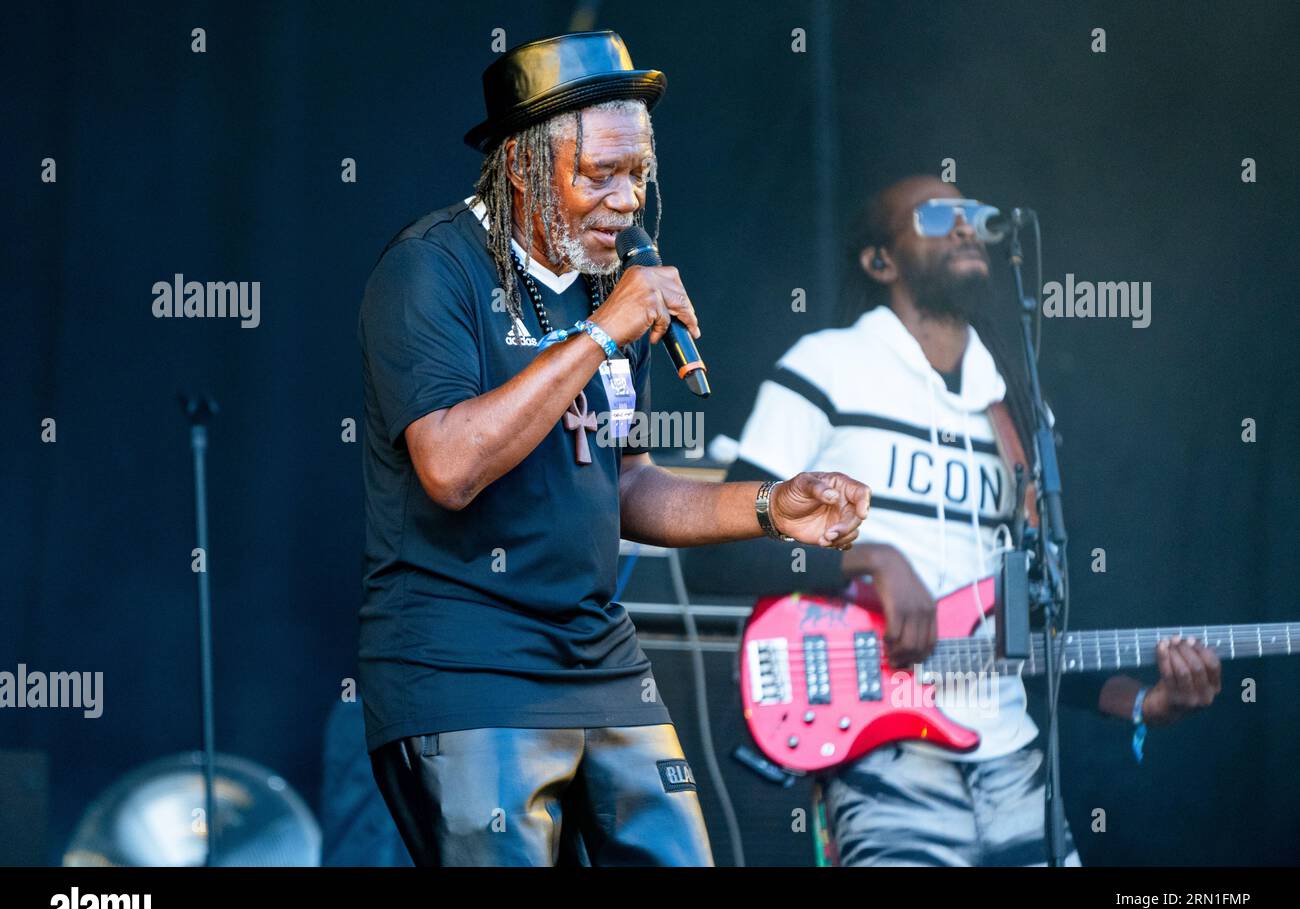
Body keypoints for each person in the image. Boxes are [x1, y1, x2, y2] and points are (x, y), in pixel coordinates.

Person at [356, 31, 872, 866]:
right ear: (524, 168)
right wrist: (601, 334)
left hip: (600, 657)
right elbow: (449, 467)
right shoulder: (430, 270)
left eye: (639, 174)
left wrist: (774, 506)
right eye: (602, 173)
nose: (629, 200)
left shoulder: (609, 289)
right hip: (465, 662)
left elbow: (625, 482)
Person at [685, 175, 1221, 866]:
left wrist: (1146, 702)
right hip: (884, 758)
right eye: (939, 214)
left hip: (1013, 759)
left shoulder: (1020, 414)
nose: (968, 225)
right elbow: (713, 554)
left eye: (976, 214)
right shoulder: (826, 368)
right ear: (881, 261)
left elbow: (1024, 633)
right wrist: (866, 556)